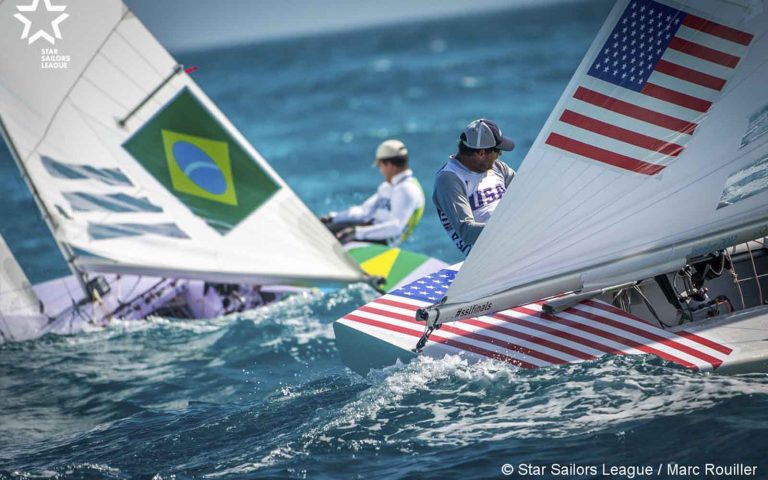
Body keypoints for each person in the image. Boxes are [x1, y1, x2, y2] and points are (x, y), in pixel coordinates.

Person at [433, 118, 516, 256]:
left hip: (515, 241)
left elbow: (527, 193)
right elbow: (467, 232)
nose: (500, 155)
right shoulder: (448, 179)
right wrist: (511, 229)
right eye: (497, 150)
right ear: (481, 153)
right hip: (489, 257)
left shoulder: (498, 167)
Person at [321, 139, 425, 246]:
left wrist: (357, 232)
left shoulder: (407, 189)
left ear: (388, 164)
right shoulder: (387, 187)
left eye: (380, 166)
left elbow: (395, 227)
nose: (380, 171)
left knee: (334, 239)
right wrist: (333, 217)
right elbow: (364, 212)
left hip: (385, 242)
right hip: (369, 229)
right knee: (325, 229)